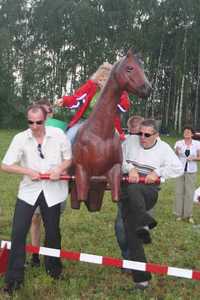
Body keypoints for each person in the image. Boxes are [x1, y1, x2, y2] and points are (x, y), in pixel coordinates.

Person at [1, 104, 72, 295]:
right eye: (30, 122)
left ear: (45, 119)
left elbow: (69, 159)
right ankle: (14, 278)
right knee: (18, 232)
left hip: (53, 191)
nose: (34, 126)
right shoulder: (20, 138)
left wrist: (59, 169)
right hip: (29, 191)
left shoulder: (58, 135)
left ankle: (54, 269)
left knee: (53, 232)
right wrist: (27, 171)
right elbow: (5, 165)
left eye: (38, 122)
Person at [121, 119, 183, 290]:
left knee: (134, 188)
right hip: (127, 194)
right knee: (131, 233)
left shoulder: (163, 149)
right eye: (140, 133)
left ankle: (144, 219)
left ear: (156, 135)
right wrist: (130, 168)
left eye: (147, 135)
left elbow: (177, 167)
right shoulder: (130, 141)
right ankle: (142, 280)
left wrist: (157, 172)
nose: (142, 137)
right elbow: (118, 158)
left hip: (149, 192)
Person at [30, 98, 66, 267]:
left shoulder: (62, 132)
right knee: (35, 219)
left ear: (51, 114)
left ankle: (52, 260)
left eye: (48, 112)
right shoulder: (33, 131)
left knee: (52, 224)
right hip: (35, 185)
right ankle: (35, 255)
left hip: (56, 187)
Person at [55, 62, 130, 143]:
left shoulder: (118, 91)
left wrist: (119, 91)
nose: (102, 82)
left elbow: (124, 105)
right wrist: (64, 101)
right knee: (68, 138)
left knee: (119, 143)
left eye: (105, 80)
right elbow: (76, 98)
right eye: (100, 79)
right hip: (85, 121)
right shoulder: (90, 86)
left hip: (107, 124)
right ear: (97, 79)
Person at [115, 115, 144, 261]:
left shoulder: (156, 143)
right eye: (132, 132)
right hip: (125, 188)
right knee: (121, 225)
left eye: (139, 132)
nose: (136, 136)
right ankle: (126, 256)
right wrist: (131, 168)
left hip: (145, 189)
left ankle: (135, 260)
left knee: (138, 224)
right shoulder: (124, 142)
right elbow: (120, 159)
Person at [174, 126, 200, 223]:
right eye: (185, 132)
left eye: (188, 132)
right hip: (180, 170)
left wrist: (193, 158)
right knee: (178, 192)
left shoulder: (197, 144)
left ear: (192, 134)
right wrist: (177, 151)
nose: (186, 133)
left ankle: (188, 215)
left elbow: (199, 157)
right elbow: (175, 154)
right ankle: (178, 214)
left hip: (191, 171)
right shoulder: (179, 143)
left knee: (189, 193)